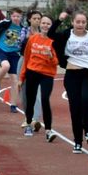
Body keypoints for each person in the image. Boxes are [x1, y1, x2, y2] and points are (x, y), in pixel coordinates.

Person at [51, 10, 88, 154]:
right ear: (72, 22)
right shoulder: (66, 35)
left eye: (83, 22)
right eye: (77, 22)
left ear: (86, 23)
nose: (80, 24)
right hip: (72, 74)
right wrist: (59, 20)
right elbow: (50, 35)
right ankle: (77, 142)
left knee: (86, 99)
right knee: (75, 108)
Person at [19, 13, 61, 143]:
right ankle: (29, 124)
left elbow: (56, 62)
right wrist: (22, 77)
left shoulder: (54, 41)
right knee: (30, 100)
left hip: (47, 75)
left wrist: (50, 56)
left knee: (44, 99)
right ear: (40, 24)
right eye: (43, 23)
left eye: (48, 24)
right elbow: (26, 58)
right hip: (32, 72)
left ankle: (48, 130)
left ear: (51, 26)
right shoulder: (33, 39)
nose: (45, 25)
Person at [0, 7, 24, 113]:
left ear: (21, 17)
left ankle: (13, 105)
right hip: (1, 50)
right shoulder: (5, 23)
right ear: (10, 16)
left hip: (14, 54)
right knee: (6, 66)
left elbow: (24, 42)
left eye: (18, 16)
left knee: (15, 81)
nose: (16, 18)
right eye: (14, 16)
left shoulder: (23, 29)